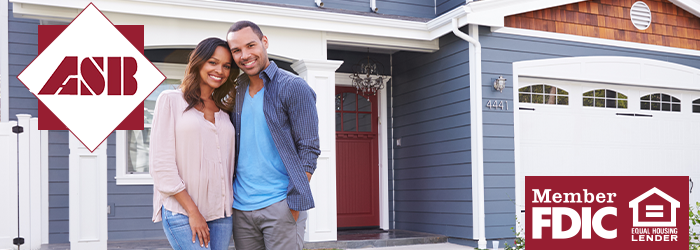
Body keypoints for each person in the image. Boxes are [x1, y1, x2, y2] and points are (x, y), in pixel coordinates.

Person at [226, 20, 320, 250]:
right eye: (236, 50)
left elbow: (309, 149)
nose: (245, 55)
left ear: (264, 42)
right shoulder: (235, 91)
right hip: (241, 207)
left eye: (250, 45)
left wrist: (293, 202)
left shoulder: (293, 86)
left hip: (280, 204)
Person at [150, 37, 238, 250]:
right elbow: (161, 166)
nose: (220, 70)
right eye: (213, 62)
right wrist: (193, 212)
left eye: (226, 66)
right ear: (199, 62)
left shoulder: (225, 112)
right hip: (183, 212)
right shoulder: (170, 100)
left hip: (222, 214)